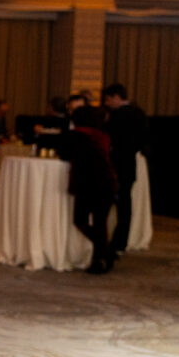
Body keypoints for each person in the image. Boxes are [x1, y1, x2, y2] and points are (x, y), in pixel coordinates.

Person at [59, 106, 118, 274]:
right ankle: (102, 257)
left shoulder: (76, 135)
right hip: (106, 182)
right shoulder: (102, 135)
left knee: (80, 220)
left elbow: (63, 154)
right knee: (100, 222)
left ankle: (103, 255)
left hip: (87, 183)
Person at [102, 83, 149, 254]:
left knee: (111, 204)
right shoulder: (139, 113)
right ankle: (121, 242)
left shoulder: (116, 116)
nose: (106, 103)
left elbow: (108, 139)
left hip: (116, 165)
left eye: (108, 99)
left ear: (116, 97)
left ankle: (109, 241)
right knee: (125, 205)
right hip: (129, 165)